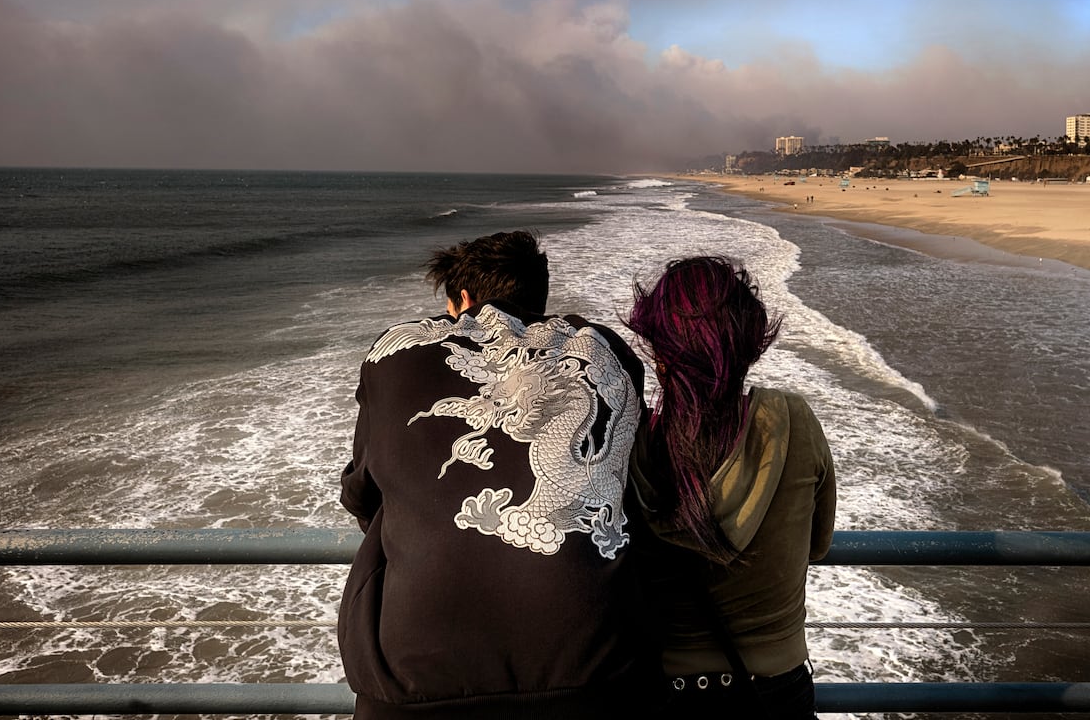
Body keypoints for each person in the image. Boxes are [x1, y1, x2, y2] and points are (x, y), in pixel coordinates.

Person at [338, 230, 657, 719]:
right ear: (538, 297)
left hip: (412, 682)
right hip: (594, 673)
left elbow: (362, 494)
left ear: (461, 300)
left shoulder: (391, 355)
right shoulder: (604, 350)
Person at [626, 256, 836, 719]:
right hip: (774, 691)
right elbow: (818, 545)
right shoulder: (791, 421)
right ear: (748, 345)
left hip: (664, 692)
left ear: (659, 354)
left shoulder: (626, 444)